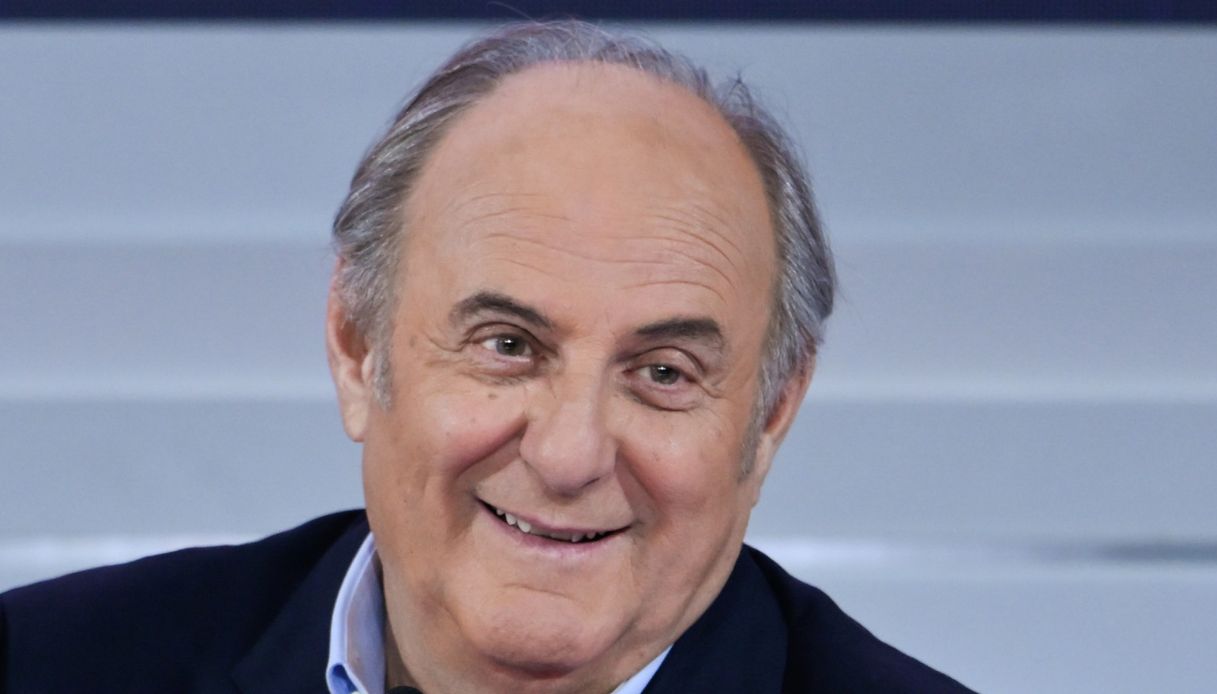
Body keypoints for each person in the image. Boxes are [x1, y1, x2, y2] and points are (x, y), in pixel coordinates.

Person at [1, 20, 973, 693]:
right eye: (508, 346)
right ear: (356, 346)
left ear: (770, 415)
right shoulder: (46, 665)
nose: (568, 454)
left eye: (662, 372)